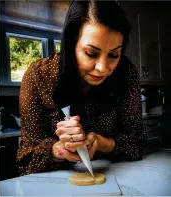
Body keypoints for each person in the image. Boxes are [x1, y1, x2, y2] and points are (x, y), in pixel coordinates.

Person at [17, 0, 147, 176]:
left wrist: (104, 143)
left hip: (119, 176)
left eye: (114, 55)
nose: (103, 68)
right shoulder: (39, 76)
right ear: (71, 46)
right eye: (91, 53)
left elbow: (138, 142)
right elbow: (25, 161)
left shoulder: (125, 73)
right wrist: (58, 150)